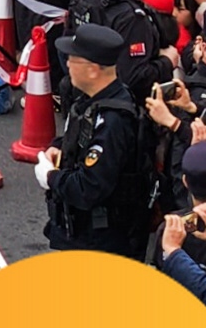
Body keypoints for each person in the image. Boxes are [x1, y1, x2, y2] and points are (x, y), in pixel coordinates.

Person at [41, 20, 154, 259]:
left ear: (93, 69)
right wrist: (59, 148)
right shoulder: (92, 100)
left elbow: (89, 188)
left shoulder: (113, 121)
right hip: (85, 235)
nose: (67, 64)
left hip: (102, 243)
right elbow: (81, 138)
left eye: (73, 59)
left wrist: (51, 178)